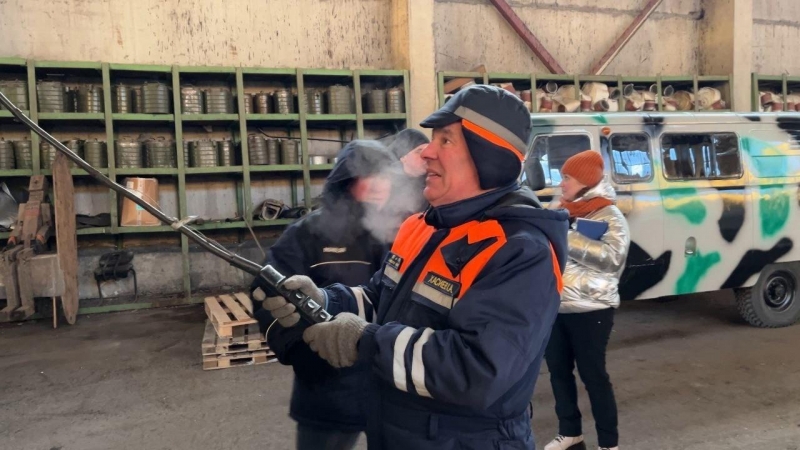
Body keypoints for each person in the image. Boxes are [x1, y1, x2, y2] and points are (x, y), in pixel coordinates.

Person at [261, 85, 570, 450]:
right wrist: (327, 301)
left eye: (446, 140)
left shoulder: (520, 251)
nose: (426, 152)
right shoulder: (423, 226)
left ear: (490, 159)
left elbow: (477, 370)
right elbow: (382, 299)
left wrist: (365, 341)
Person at [250, 140, 396, 450]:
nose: (377, 185)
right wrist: (310, 357)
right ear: (346, 180)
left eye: (384, 176)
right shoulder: (306, 234)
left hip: (392, 391)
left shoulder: (403, 233)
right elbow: (270, 296)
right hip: (329, 393)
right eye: (367, 175)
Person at [542, 150, 630, 450]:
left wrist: (566, 235)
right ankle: (570, 433)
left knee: (594, 377)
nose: (561, 183)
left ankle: (608, 443)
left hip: (592, 309)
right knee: (558, 374)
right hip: (556, 307)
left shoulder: (609, 215)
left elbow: (612, 259)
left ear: (585, 180)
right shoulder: (559, 209)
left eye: (567, 177)